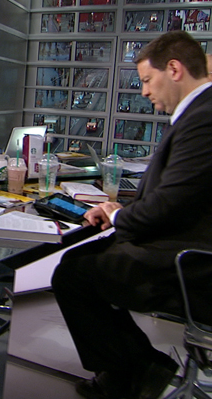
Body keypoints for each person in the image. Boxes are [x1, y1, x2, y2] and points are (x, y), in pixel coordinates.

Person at [51, 30, 212, 399]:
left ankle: (132, 374)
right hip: (182, 246)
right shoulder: (198, 114)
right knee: (78, 261)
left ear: (174, 69)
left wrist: (120, 218)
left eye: (147, 80)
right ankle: (136, 368)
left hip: (193, 266)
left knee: (75, 275)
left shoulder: (204, 118)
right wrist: (121, 211)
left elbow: (170, 203)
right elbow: (181, 195)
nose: (143, 91)